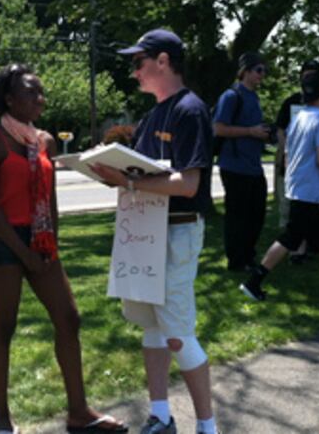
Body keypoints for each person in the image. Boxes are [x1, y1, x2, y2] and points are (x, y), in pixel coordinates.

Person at [0, 64, 128, 434]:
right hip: (2, 242)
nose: (40, 99)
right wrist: (23, 252)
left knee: (69, 318)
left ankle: (78, 413)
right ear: (9, 99)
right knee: (5, 326)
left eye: (41, 92)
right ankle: (1, 421)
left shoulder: (45, 142)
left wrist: (49, 244)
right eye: (31, 92)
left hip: (41, 240)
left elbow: (50, 197)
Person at [91, 29, 220, 434]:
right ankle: (161, 416)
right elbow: (144, 172)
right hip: (144, 234)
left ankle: (208, 426)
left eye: (138, 62)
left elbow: (188, 184)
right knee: (152, 328)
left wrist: (125, 182)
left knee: (178, 333)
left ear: (163, 61)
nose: (134, 72)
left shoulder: (190, 110)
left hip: (176, 232)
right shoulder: (152, 115)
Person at [240, 72, 319, 301]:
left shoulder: (299, 116)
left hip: (298, 185)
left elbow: (287, 151)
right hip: (308, 190)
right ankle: (254, 282)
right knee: (290, 238)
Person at [274, 60, 319, 263]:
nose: (309, 79)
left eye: (313, 75)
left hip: (314, 171)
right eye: (306, 75)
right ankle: (262, 275)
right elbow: (281, 131)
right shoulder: (292, 104)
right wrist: (288, 154)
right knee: (292, 217)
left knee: (313, 216)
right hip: (295, 167)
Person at [212, 52, 270, 272]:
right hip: (234, 166)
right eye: (259, 70)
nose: (262, 75)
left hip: (253, 166)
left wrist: (264, 133)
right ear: (245, 71)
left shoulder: (254, 97)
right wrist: (250, 131)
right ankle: (237, 262)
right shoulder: (231, 96)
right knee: (238, 217)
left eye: (264, 71)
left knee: (257, 215)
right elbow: (219, 128)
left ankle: (248, 257)